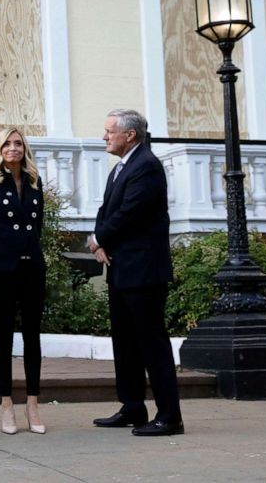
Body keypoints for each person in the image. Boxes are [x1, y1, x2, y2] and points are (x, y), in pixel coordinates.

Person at [88, 108, 183, 436]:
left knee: (151, 344)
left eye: (109, 131)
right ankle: (132, 407)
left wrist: (100, 237)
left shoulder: (147, 166)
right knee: (125, 343)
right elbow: (106, 210)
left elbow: (131, 213)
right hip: (120, 269)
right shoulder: (120, 169)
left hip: (144, 272)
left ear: (130, 134)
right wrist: (98, 241)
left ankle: (169, 416)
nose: (104, 136)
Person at [0, 127, 47, 435]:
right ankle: (6, 404)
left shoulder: (34, 181)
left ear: (24, 149)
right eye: (7, 144)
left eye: (18, 143)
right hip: (3, 269)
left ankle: (32, 403)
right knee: (4, 336)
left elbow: (37, 226)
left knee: (32, 336)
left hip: (32, 268)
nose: (13, 148)